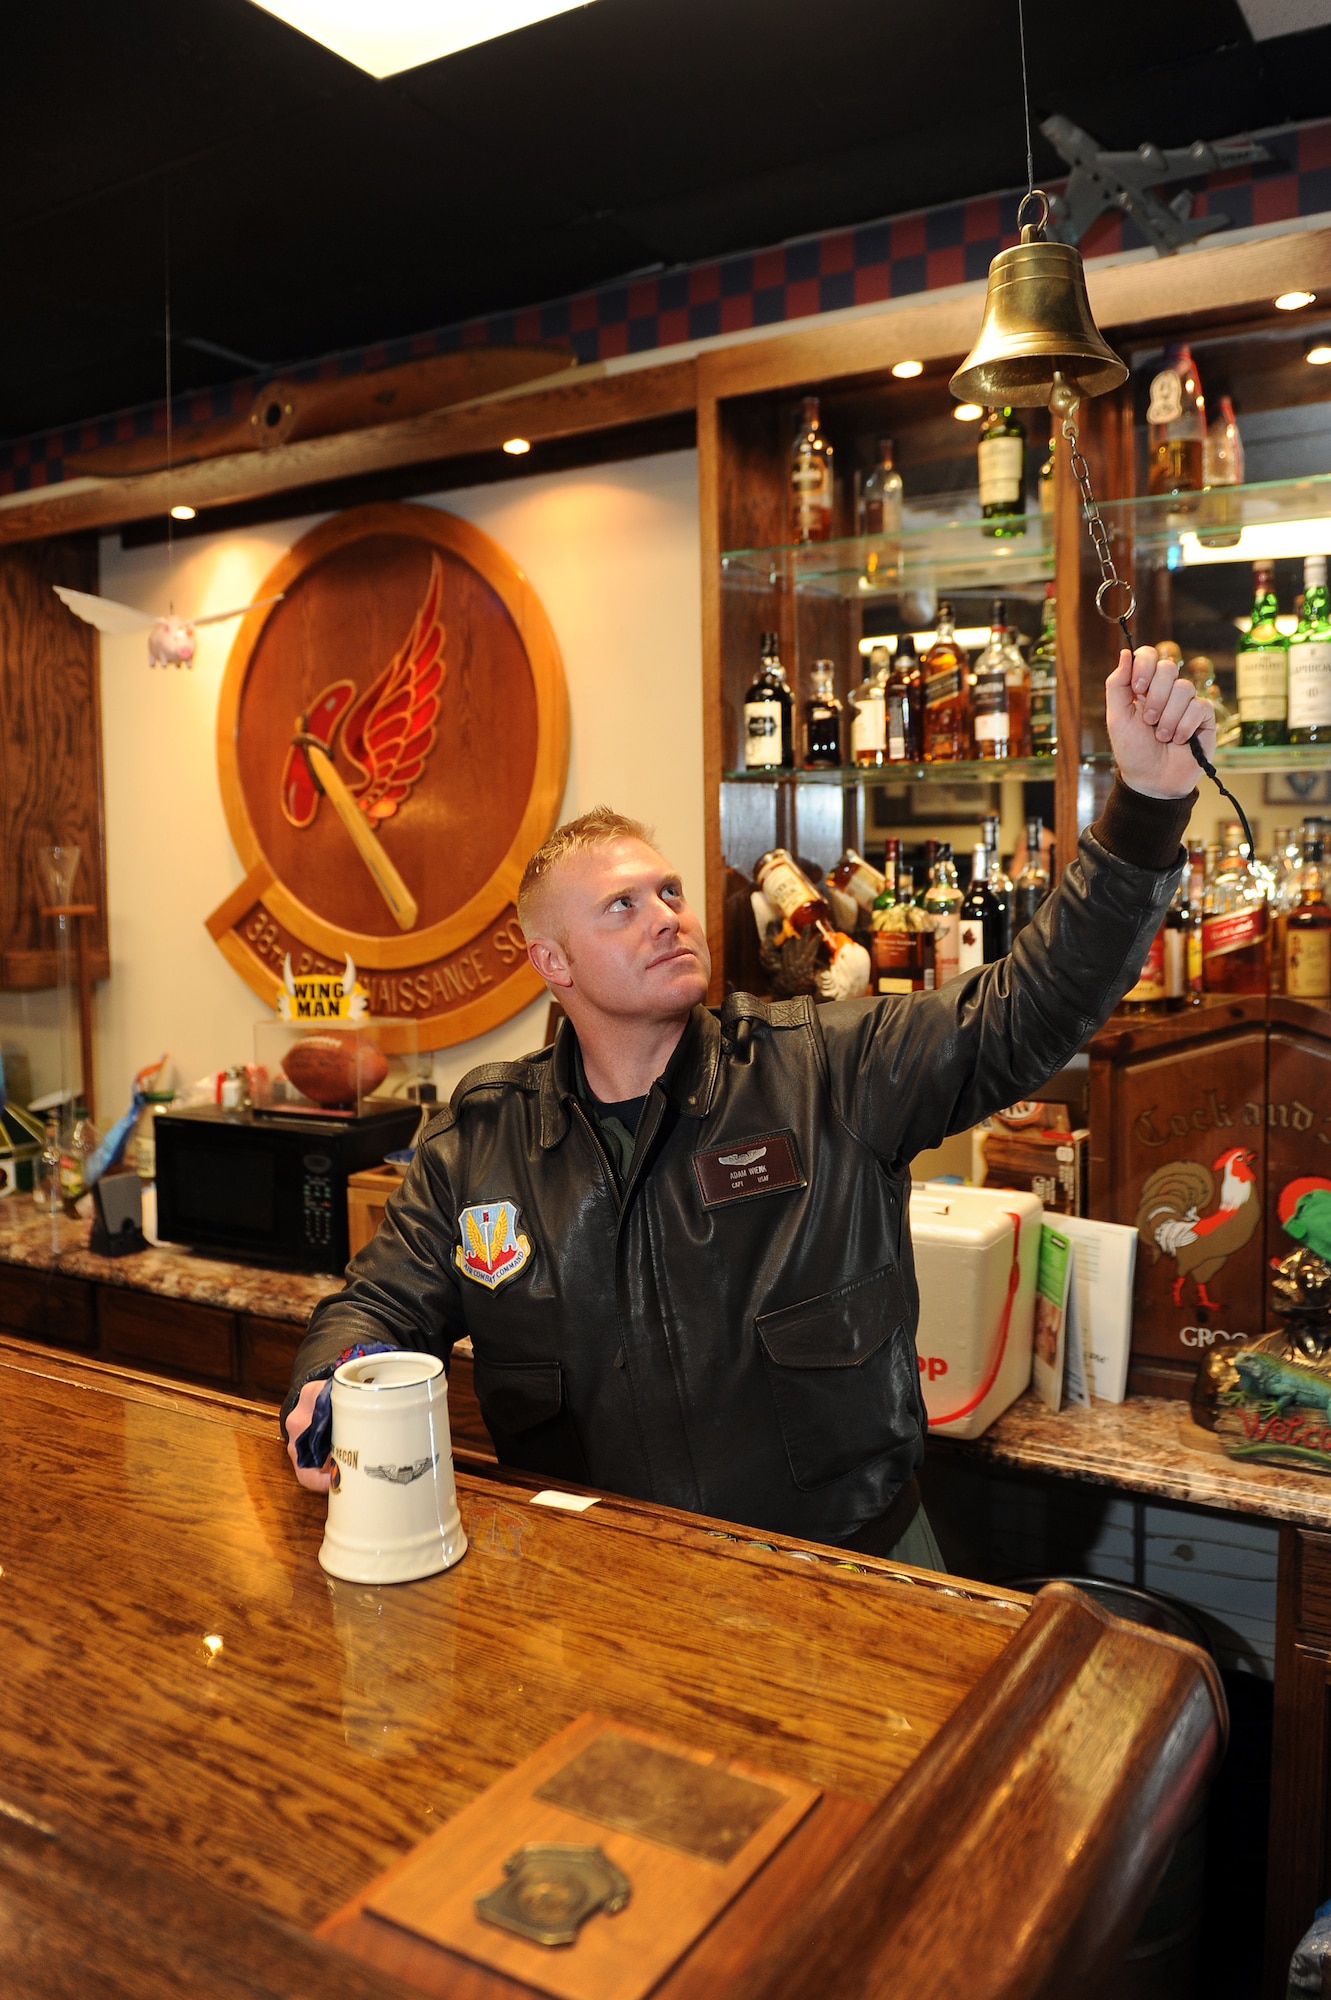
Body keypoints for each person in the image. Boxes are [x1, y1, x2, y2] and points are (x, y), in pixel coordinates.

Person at [282, 646, 1212, 1567]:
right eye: (621, 906)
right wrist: (329, 1383)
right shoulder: (479, 1143)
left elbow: (1029, 1004)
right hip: (603, 1586)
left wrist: (1145, 810)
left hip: (847, 1572)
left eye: (670, 891)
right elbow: (376, 1307)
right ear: (552, 964)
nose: (667, 916)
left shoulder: (825, 1068)